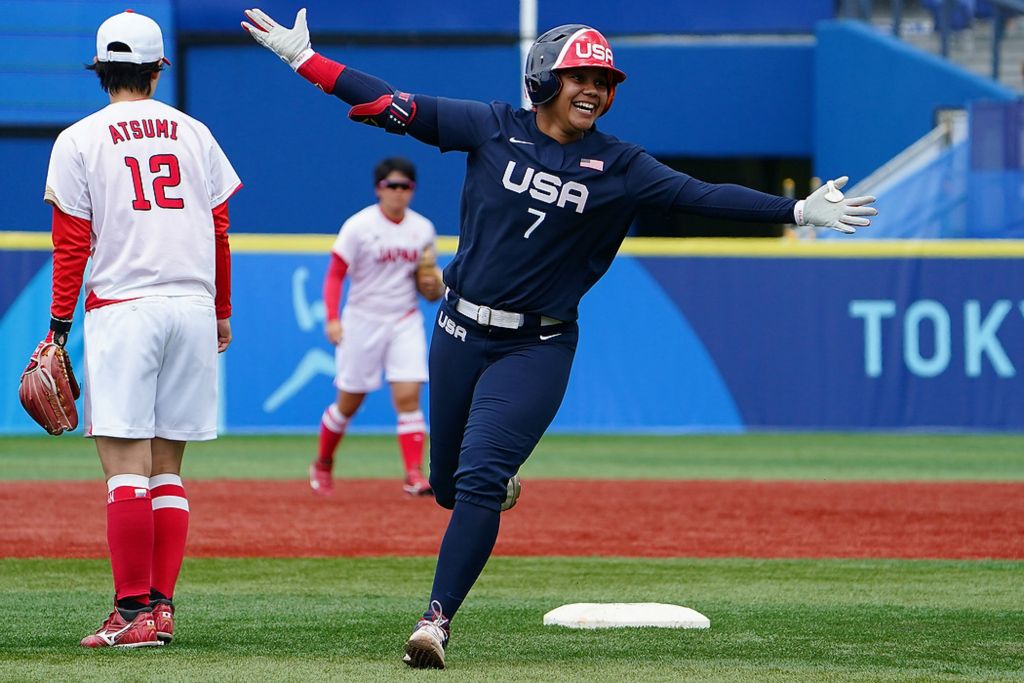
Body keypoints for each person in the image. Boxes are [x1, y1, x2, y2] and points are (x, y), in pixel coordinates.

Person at [242, 9, 875, 669]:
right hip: (457, 330)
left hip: (535, 346)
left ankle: (435, 620)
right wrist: (303, 61)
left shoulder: (622, 165)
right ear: (545, 76)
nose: (594, 89)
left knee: (481, 477)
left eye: (604, 81)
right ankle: (481, 486)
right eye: (580, 75)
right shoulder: (489, 126)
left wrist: (796, 210)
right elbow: (387, 103)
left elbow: (701, 195)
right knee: (449, 486)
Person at [40, 10, 241, 647]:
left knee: (125, 472)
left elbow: (71, 247)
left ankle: (130, 615)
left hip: (123, 309)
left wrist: (56, 330)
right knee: (167, 473)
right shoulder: (195, 133)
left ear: (99, 70)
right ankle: (158, 609)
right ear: (160, 67)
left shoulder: (78, 139)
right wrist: (221, 311)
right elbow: (219, 230)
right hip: (190, 306)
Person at [313, 156, 443, 497]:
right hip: (363, 319)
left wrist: (432, 287)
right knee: (349, 402)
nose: (398, 193)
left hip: (403, 319)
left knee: (408, 396)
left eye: (405, 187)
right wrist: (332, 317)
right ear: (379, 189)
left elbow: (426, 280)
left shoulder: (422, 229)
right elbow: (335, 274)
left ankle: (414, 473)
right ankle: (323, 462)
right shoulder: (359, 226)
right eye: (392, 186)